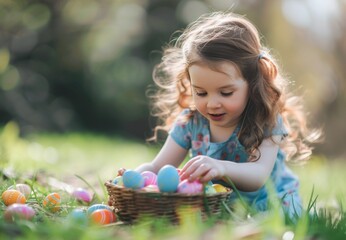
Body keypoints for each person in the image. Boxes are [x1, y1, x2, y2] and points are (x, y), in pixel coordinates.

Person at [120, 11, 319, 219]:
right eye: (201, 92)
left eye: (226, 93)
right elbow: (157, 166)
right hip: (217, 208)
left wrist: (220, 167)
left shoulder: (265, 119)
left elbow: (259, 175)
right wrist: (135, 177)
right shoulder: (191, 122)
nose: (212, 104)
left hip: (268, 204)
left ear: (251, 84)